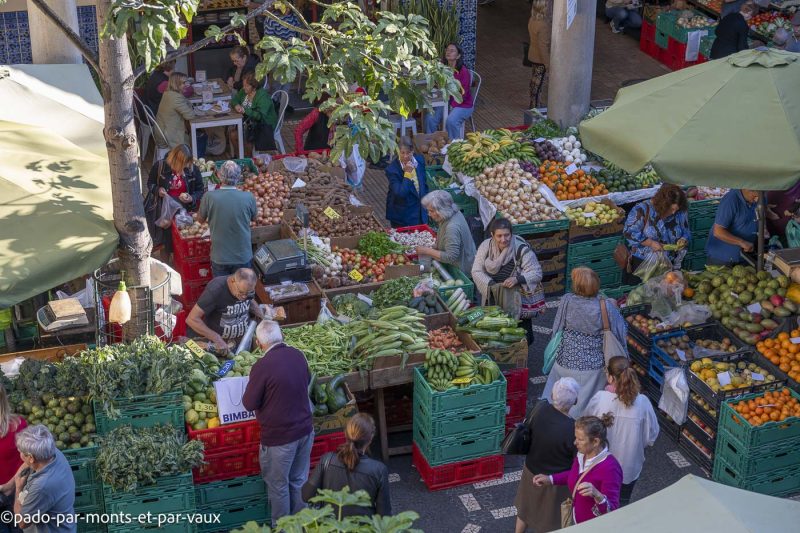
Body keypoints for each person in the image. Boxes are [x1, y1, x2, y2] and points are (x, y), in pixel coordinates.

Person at [243, 320, 314, 527]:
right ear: (281, 336)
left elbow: (249, 403)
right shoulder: (298, 355)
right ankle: (301, 526)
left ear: (259, 343)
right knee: (298, 480)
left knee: (279, 486)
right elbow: (307, 379)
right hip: (305, 432)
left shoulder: (262, 366)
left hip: (279, 439)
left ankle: (283, 529)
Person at [542, 267, 628, 417]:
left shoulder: (567, 300)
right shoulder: (605, 306)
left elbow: (557, 328)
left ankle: (551, 424)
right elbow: (621, 330)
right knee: (582, 411)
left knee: (555, 403)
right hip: (592, 369)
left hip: (564, 361)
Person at [584, 357, 658, 507]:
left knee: (595, 504)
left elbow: (586, 426)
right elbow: (652, 436)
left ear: (610, 377)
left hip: (599, 465)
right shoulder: (643, 403)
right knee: (621, 504)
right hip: (629, 467)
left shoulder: (600, 399)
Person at [514, 378, 579, 533]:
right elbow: (576, 458)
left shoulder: (539, 410)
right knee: (550, 520)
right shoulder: (573, 429)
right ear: (575, 401)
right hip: (555, 482)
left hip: (530, 470)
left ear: (552, 394)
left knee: (525, 509)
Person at [532, 415, 623, 525]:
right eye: (576, 438)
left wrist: (597, 495)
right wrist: (550, 479)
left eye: (580, 439)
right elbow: (575, 475)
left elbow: (612, 511)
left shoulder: (611, 469)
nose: (575, 442)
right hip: (577, 520)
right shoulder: (582, 455)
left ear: (595, 442)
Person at [302, 413, 390, 518]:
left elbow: (306, 496)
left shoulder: (327, 460)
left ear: (345, 434)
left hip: (331, 526)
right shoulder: (379, 470)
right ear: (370, 438)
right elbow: (384, 516)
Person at [472, 218, 543, 344]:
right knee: (496, 333)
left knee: (523, 335)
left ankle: (522, 355)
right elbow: (476, 271)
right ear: (492, 235)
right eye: (499, 236)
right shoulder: (485, 246)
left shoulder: (521, 249)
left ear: (512, 234)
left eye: (507, 235)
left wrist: (517, 279)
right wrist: (491, 285)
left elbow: (536, 272)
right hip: (493, 296)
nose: (503, 239)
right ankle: (503, 356)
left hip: (516, 299)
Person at [0, 425, 76, 532]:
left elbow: (22, 522)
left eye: (21, 451)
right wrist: (10, 486)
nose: (19, 453)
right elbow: (27, 464)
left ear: (31, 458)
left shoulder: (43, 485)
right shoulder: (52, 452)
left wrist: (18, 488)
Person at [196, 161, 258, 277]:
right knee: (243, 291)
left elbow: (200, 219)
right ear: (239, 177)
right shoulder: (248, 197)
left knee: (222, 291)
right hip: (242, 256)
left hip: (219, 256)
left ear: (219, 176)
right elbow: (255, 218)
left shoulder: (209, 196)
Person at [621, 183, 690, 285]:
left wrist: (684, 239)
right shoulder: (642, 210)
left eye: (677, 209)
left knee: (666, 294)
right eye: (671, 209)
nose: (674, 212)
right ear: (662, 204)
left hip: (670, 264)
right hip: (644, 264)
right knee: (643, 295)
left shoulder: (680, 212)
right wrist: (651, 243)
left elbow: (686, 230)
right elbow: (629, 232)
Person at [186, 268, 265, 353]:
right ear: (232, 281)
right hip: (218, 345)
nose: (244, 297)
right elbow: (191, 319)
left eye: (249, 293)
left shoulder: (246, 288)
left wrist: (263, 316)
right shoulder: (216, 289)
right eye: (241, 292)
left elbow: (250, 301)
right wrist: (217, 338)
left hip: (242, 342)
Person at [416, 191, 476, 274]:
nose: (429, 214)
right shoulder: (452, 213)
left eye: (432, 211)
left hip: (462, 270)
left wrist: (427, 251)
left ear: (442, 211)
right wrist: (435, 246)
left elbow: (451, 257)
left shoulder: (452, 227)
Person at [424, 43, 474, 140]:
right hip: (445, 101)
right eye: (447, 50)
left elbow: (462, 95)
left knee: (451, 121)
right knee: (430, 118)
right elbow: (437, 85)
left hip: (462, 104)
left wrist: (452, 106)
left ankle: (455, 146)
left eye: (452, 51)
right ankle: (431, 144)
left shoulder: (463, 72)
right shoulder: (442, 68)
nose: (448, 52)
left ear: (458, 56)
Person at [705, 188, 759, 266]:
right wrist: (742, 242)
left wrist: (763, 228)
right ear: (746, 189)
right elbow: (718, 232)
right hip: (723, 258)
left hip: (746, 256)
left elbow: (760, 214)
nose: (757, 200)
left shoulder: (759, 197)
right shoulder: (730, 201)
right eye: (755, 196)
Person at [230, 72, 278, 154]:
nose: (244, 87)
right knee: (232, 134)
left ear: (254, 87)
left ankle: (249, 159)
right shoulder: (244, 91)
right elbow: (234, 100)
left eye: (247, 86)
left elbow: (259, 116)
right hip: (249, 123)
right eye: (243, 85)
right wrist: (236, 105)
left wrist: (244, 110)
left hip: (263, 125)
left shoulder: (263, 97)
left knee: (248, 139)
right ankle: (239, 157)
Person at [385, 137, 428, 228]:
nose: (405, 156)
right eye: (402, 153)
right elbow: (400, 193)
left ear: (412, 151)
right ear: (398, 152)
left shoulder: (419, 160)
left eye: (408, 153)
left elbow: (423, 184)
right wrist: (407, 173)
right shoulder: (392, 170)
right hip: (402, 216)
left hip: (420, 212)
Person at [0, 384, 27, 533]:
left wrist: (9, 486)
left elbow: (28, 461)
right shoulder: (18, 424)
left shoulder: (18, 425)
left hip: (18, 493)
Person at [155, 71, 197, 149]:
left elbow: (187, 104)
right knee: (192, 140)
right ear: (177, 84)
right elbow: (190, 116)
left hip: (162, 132)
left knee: (191, 137)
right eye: (184, 83)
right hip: (169, 136)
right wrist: (191, 108)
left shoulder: (168, 93)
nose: (186, 85)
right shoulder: (176, 98)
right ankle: (191, 158)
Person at [527, 0, 553, 109]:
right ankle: (535, 107)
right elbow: (543, 47)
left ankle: (533, 103)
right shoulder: (544, 25)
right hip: (540, 59)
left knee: (534, 82)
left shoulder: (533, 19)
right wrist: (548, 65)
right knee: (538, 85)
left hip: (533, 55)